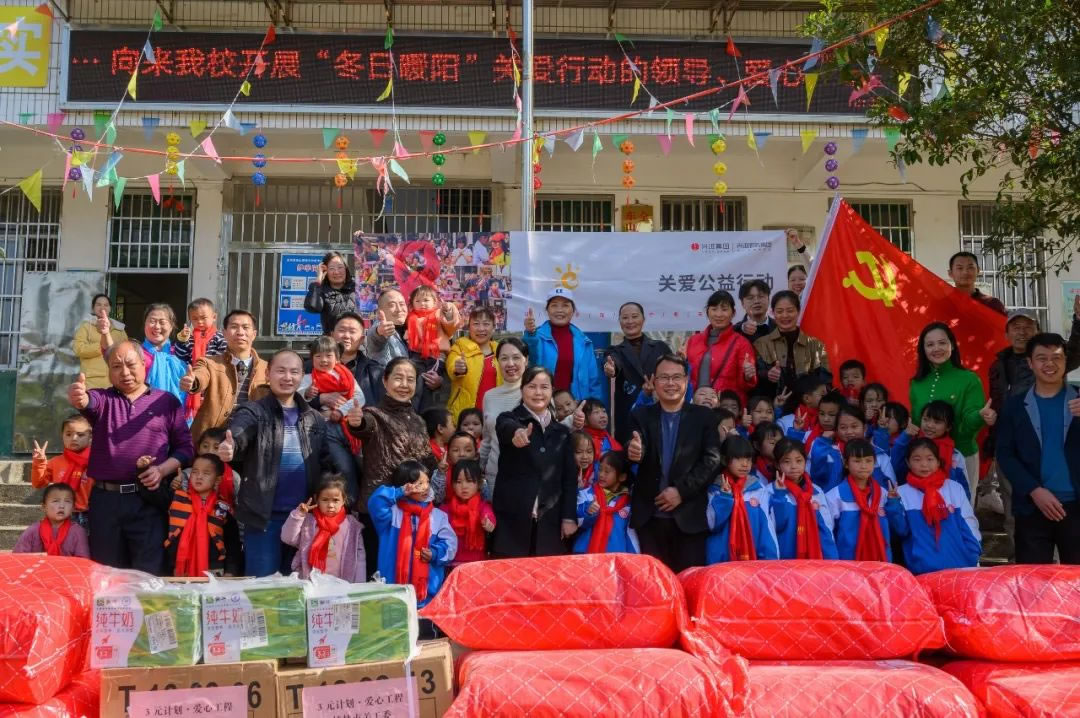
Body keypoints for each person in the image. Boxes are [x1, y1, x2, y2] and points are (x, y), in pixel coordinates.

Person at [68, 340, 193, 572]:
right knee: (106, 574)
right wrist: (81, 398)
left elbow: (185, 449)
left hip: (148, 499)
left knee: (149, 574)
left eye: (130, 364)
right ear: (109, 371)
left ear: (144, 364)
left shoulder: (166, 402)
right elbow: (89, 402)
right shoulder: (104, 400)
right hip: (106, 500)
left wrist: (161, 470)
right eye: (116, 367)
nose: (124, 372)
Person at [224, 349, 329, 577]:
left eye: (294, 372)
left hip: (303, 518)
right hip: (264, 517)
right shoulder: (254, 411)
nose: (287, 377)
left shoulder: (314, 419)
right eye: (280, 371)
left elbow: (326, 462)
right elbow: (240, 431)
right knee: (263, 587)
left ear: (302, 376)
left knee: (299, 584)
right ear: (268, 373)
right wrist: (232, 445)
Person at [987, 306, 1080, 533]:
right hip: (1012, 446)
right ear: (1006, 333)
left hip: (1052, 454)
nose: (1022, 332)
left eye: (1028, 327)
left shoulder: (1049, 359)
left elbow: (1075, 350)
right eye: (1016, 327)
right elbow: (996, 399)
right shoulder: (998, 364)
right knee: (1015, 514)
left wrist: (1078, 321)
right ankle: (1017, 553)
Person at [626, 354, 721, 572]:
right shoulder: (640, 416)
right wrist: (633, 453)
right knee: (654, 584)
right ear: (654, 381)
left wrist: (681, 491)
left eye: (676, 377)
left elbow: (712, 460)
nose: (670, 383)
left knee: (690, 582)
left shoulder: (704, 417)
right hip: (649, 519)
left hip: (689, 518)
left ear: (686, 381)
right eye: (664, 377)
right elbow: (629, 452)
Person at [346, 356, 437, 578]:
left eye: (410, 379)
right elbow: (365, 426)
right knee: (378, 575)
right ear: (385, 381)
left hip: (411, 510)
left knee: (406, 572)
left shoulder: (418, 421)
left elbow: (426, 460)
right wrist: (356, 423)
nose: (404, 385)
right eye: (398, 378)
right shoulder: (374, 414)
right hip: (381, 510)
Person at [492, 366, 578, 558]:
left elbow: (569, 480)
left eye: (544, 387)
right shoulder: (509, 418)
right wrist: (517, 433)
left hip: (550, 527)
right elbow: (506, 427)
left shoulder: (562, 433)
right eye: (532, 386)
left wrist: (568, 517)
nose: (538, 392)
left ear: (552, 391)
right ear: (522, 389)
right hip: (512, 527)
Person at [909, 321, 997, 502]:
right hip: (924, 461)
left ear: (952, 345)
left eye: (942, 343)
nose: (936, 349)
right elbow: (916, 421)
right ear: (923, 350)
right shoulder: (917, 383)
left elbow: (969, 420)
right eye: (930, 344)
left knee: (960, 510)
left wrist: (980, 416)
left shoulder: (969, 379)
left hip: (961, 456)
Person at [368, 459, 457, 607]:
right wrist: (399, 492)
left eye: (427, 482)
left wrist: (435, 553)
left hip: (427, 595)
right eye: (419, 483)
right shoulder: (392, 514)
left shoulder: (437, 516)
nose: (425, 487)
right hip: (392, 594)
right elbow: (375, 501)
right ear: (406, 484)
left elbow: (451, 545)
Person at [889, 438, 981, 574]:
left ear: (938, 462)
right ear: (908, 462)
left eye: (930, 459)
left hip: (961, 565)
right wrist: (893, 505)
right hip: (923, 570)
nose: (924, 464)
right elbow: (901, 531)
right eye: (917, 459)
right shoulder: (901, 493)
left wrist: (973, 552)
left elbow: (969, 522)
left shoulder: (954, 488)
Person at [182, 310, 268, 448]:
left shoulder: (268, 369)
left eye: (245, 327)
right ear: (224, 333)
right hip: (212, 445)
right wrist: (193, 381)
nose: (240, 332)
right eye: (234, 327)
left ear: (254, 334)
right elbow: (200, 375)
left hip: (252, 445)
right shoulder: (209, 363)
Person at [604, 302, 672, 445]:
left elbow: (673, 370)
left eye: (634, 316)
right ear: (620, 322)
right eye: (625, 318)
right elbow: (614, 363)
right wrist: (611, 368)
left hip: (659, 410)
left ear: (643, 319)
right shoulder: (614, 350)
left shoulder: (660, 347)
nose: (630, 321)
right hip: (628, 415)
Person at [705, 435, 779, 563]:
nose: (745, 464)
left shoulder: (758, 488)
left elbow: (767, 527)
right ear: (724, 460)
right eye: (738, 459)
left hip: (752, 560)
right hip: (721, 561)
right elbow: (712, 524)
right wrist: (724, 497)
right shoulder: (716, 488)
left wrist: (770, 559)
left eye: (748, 459)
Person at [826, 438, 901, 561]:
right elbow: (828, 535)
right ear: (846, 463)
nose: (863, 466)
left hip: (881, 562)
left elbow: (899, 530)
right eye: (857, 461)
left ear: (874, 463)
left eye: (868, 460)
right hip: (848, 563)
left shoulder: (883, 494)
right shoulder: (834, 496)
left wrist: (894, 504)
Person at [282, 474, 367, 582]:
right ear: (316, 499)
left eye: (335, 500)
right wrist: (299, 515)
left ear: (344, 500)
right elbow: (288, 538)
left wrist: (359, 585)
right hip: (312, 583)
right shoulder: (309, 522)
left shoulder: (352, 526)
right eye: (325, 500)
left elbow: (360, 559)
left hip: (343, 584)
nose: (330, 505)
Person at [523, 287, 603, 402]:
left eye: (565, 305)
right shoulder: (536, 337)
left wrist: (594, 405)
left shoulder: (584, 342)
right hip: (544, 404)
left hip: (576, 405)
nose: (559, 310)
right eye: (554, 305)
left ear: (573, 311)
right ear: (547, 310)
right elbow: (531, 363)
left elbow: (593, 380)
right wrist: (531, 335)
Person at [102, 303, 189, 404]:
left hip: (180, 411)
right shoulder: (135, 352)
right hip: (142, 409)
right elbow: (112, 354)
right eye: (152, 321)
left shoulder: (182, 352)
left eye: (162, 322)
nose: (157, 326)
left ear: (171, 326)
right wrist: (105, 333)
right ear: (145, 325)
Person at [163, 453, 234, 577]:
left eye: (206, 473)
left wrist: (231, 571)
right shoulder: (177, 497)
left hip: (213, 570)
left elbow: (232, 543)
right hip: (180, 569)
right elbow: (152, 495)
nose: (199, 477)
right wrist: (142, 470)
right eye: (195, 472)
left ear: (218, 480)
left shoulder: (222, 508)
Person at [769, 438, 838, 560]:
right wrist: (779, 496)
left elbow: (826, 528)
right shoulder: (770, 491)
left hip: (814, 558)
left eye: (799, 461)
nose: (794, 466)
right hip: (784, 559)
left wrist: (832, 559)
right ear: (777, 465)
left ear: (805, 462)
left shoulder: (816, 491)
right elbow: (774, 527)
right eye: (787, 461)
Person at [754, 290, 831, 399]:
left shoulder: (816, 345)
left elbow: (826, 380)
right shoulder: (761, 344)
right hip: (773, 405)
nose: (785, 315)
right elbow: (753, 377)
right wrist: (767, 374)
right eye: (779, 311)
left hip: (808, 405)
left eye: (790, 311)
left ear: (798, 311)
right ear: (773, 313)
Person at [686, 290, 757, 403]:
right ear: (707, 312)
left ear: (733, 313)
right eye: (714, 309)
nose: (718, 314)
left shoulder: (742, 343)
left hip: (725, 407)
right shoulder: (693, 340)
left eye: (724, 309)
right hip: (696, 406)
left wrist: (748, 376)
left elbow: (746, 386)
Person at [479, 338, 529, 494]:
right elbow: (487, 440)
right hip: (494, 477)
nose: (510, 363)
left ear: (526, 360)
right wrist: (477, 469)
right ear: (497, 362)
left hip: (527, 477)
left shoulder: (537, 394)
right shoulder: (489, 396)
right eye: (504, 358)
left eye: (516, 357)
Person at [890, 401, 970, 499]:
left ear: (948, 427)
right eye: (926, 419)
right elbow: (895, 465)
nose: (929, 425)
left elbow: (963, 487)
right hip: (912, 499)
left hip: (946, 502)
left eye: (937, 422)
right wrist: (904, 438)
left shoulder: (955, 455)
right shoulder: (911, 446)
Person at [30, 415, 93, 529]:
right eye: (68, 434)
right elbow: (38, 483)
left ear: (90, 437)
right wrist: (39, 462)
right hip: (61, 513)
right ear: (62, 436)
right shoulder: (55, 462)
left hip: (92, 514)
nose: (74, 438)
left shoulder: (97, 461)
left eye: (80, 435)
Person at [573, 450, 638, 554]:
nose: (601, 475)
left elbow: (631, 535)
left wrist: (635, 558)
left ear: (622, 477)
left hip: (615, 558)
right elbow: (576, 520)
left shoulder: (628, 504)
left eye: (607, 471)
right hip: (585, 557)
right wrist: (588, 512)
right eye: (600, 469)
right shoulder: (588, 494)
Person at [447, 306, 501, 420]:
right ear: (469, 327)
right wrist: (458, 368)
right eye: (476, 324)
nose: (481, 329)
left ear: (494, 327)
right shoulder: (460, 346)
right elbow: (452, 364)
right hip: (465, 417)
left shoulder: (500, 350)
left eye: (486, 324)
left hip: (495, 415)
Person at [13, 483, 91, 557]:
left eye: (67, 501)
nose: (62, 506)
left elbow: (83, 561)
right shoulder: (33, 530)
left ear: (73, 508)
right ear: (44, 506)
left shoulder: (78, 532)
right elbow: (19, 557)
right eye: (56, 501)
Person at [442, 460, 496, 565]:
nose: (464, 486)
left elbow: (489, 517)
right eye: (458, 482)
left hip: (475, 563)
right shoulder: (445, 509)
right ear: (452, 484)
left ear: (479, 484)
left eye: (469, 481)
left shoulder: (483, 507)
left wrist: (489, 524)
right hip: (450, 562)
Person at [72, 293, 127, 389]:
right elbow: (78, 349)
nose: (102, 307)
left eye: (106, 305)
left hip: (116, 379)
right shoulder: (86, 326)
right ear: (93, 308)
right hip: (92, 380)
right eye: (98, 304)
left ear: (110, 308)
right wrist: (101, 347)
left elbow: (127, 351)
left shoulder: (119, 329)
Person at [304, 250, 358, 334]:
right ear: (326, 271)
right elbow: (312, 307)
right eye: (332, 268)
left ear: (346, 269)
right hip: (331, 340)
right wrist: (318, 280)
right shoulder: (321, 290)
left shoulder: (356, 288)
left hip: (354, 339)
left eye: (340, 267)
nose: (336, 272)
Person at [174, 298, 227, 364]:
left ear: (214, 317)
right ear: (190, 319)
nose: (199, 321)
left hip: (213, 369)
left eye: (203, 318)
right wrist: (182, 340)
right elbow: (180, 357)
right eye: (195, 319)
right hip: (193, 370)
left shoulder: (219, 337)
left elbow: (224, 357)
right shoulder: (190, 338)